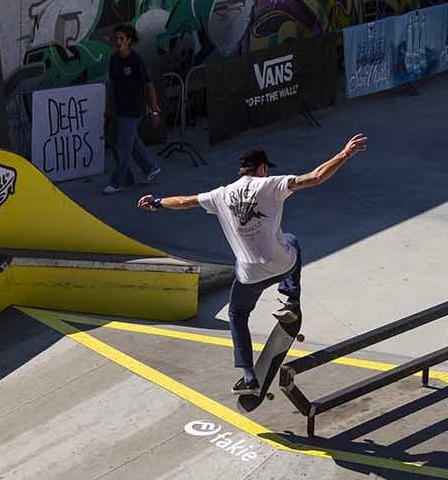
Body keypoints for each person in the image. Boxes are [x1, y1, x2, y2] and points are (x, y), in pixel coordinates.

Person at [136, 135, 368, 392]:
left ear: (242, 169)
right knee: (291, 239)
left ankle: (248, 376)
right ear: (262, 168)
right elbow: (315, 177)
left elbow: (182, 202)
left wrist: (156, 203)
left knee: (237, 314)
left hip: (249, 274)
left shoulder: (220, 195)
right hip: (281, 265)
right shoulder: (271, 184)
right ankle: (290, 299)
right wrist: (344, 154)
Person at [102, 23, 163, 196]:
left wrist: (154, 109)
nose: (118, 42)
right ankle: (151, 167)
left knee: (123, 146)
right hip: (119, 108)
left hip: (133, 109)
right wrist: (108, 108)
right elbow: (112, 85)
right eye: (116, 38)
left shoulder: (136, 61)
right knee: (130, 142)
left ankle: (118, 181)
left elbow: (149, 85)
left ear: (129, 40)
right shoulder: (114, 59)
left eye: (122, 38)